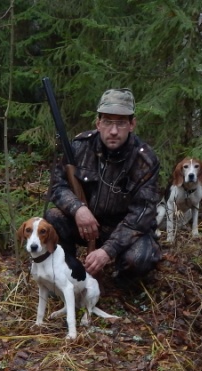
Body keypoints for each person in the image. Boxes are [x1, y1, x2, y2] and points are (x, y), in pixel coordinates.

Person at [45, 88, 162, 285]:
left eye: (121, 123)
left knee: (140, 258)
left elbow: (141, 216)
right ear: (98, 123)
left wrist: (107, 251)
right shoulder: (79, 147)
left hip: (123, 229)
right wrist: (78, 209)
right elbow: (57, 186)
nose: (113, 131)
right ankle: (69, 272)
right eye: (108, 122)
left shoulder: (145, 161)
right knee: (52, 218)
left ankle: (119, 283)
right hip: (86, 225)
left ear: (132, 124)